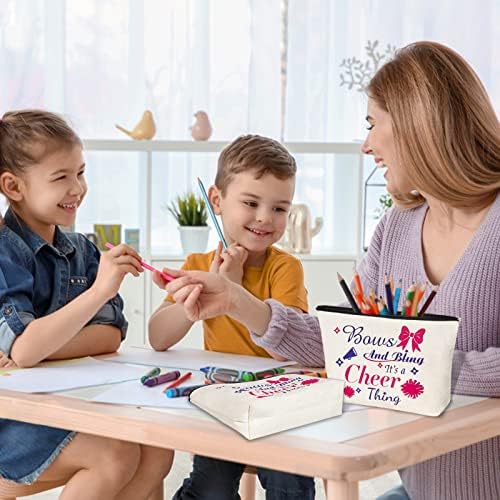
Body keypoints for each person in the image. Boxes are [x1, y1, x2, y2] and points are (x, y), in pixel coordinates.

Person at [163, 41, 500, 500]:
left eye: (372, 124)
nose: (366, 145)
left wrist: (403, 365)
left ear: (417, 125)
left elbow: (369, 358)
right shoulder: (397, 227)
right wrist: (241, 304)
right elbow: (343, 342)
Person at [0, 109, 173, 499]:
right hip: (12, 421)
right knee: (114, 455)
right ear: (14, 186)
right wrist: (97, 292)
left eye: (80, 173)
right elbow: (26, 348)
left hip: (68, 405)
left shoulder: (83, 251)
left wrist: (39, 348)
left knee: (157, 449)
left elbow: (110, 335)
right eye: (61, 177)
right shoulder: (5, 254)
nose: (77, 188)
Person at [149, 134, 315, 499]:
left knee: (293, 486)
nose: (264, 218)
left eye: (279, 208)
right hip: (223, 399)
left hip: (279, 401)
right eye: (251, 202)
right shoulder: (197, 265)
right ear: (217, 201)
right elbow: (158, 337)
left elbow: (288, 352)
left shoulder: (285, 268)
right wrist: (193, 302)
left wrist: (235, 294)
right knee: (212, 489)